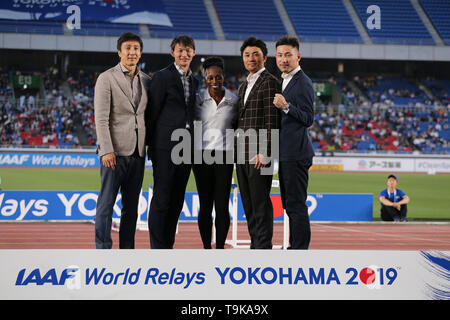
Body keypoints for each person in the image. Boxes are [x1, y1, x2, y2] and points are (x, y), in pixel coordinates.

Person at [94, 32, 151, 249]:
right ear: (119, 52)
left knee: (131, 208)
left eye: (136, 48)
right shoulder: (106, 78)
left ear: (140, 52)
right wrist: (106, 150)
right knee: (106, 205)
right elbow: (101, 118)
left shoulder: (147, 80)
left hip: (138, 153)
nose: (132, 52)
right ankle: (103, 248)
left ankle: (127, 250)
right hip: (113, 154)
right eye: (128, 48)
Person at [145, 35, 199, 249]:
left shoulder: (194, 80)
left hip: (186, 147)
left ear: (193, 53)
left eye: (188, 50)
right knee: (162, 198)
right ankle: (157, 248)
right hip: (165, 146)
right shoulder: (161, 77)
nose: (184, 54)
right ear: (172, 53)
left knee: (177, 200)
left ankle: (168, 246)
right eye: (180, 50)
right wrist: (150, 145)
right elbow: (152, 112)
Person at [235, 37, 281, 249]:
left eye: (255, 54)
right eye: (247, 55)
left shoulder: (270, 81)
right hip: (242, 154)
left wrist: (266, 152)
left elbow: (272, 120)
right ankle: (255, 246)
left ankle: (263, 249)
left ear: (265, 57)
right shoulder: (244, 85)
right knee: (249, 205)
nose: (251, 58)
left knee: (260, 204)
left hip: (260, 155)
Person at [273, 36, 315, 249]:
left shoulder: (304, 82)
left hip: (296, 153)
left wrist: (286, 106)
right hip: (286, 153)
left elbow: (309, 118)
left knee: (296, 205)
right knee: (290, 205)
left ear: (298, 56)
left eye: (288, 55)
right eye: (280, 55)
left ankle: (300, 250)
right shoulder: (282, 79)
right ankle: (295, 247)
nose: (283, 59)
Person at [193, 57, 238, 249]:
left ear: (223, 76)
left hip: (224, 156)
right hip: (201, 156)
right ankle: (206, 248)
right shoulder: (197, 99)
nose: (214, 80)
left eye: (217, 77)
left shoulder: (234, 100)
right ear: (205, 77)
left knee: (221, 206)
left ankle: (219, 247)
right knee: (205, 206)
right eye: (210, 77)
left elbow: (239, 127)